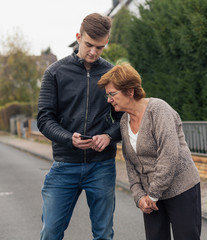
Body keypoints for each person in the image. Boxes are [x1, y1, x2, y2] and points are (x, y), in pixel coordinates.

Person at [37, 13, 123, 240]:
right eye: (89, 45)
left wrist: (108, 136)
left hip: (102, 166)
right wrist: (69, 138)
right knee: (51, 233)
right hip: (65, 165)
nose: (94, 52)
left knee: (104, 234)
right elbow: (44, 119)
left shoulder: (111, 74)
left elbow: (124, 118)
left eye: (100, 47)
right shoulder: (54, 73)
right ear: (78, 37)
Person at [98, 63, 202, 240]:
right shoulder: (124, 122)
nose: (109, 100)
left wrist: (153, 194)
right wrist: (139, 197)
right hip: (150, 198)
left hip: (180, 188)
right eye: (108, 95)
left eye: (112, 94)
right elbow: (131, 164)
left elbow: (169, 156)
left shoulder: (158, 110)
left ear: (130, 91)